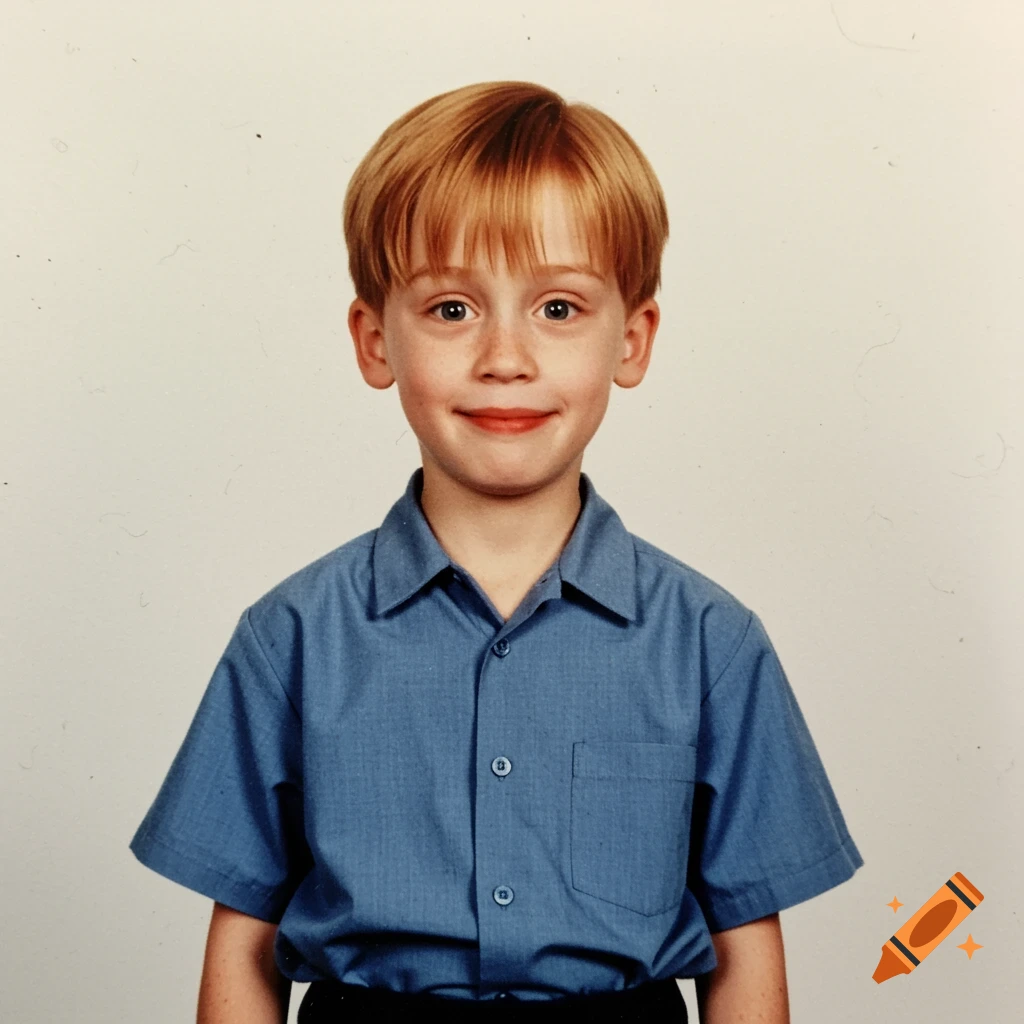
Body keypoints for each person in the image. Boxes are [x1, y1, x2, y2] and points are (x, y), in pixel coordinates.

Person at [130, 80, 863, 1023]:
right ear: (374, 340)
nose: (505, 357)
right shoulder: (292, 638)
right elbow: (242, 942)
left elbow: (746, 946)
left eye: (558, 308)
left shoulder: (711, 643)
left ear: (632, 341)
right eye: (451, 310)